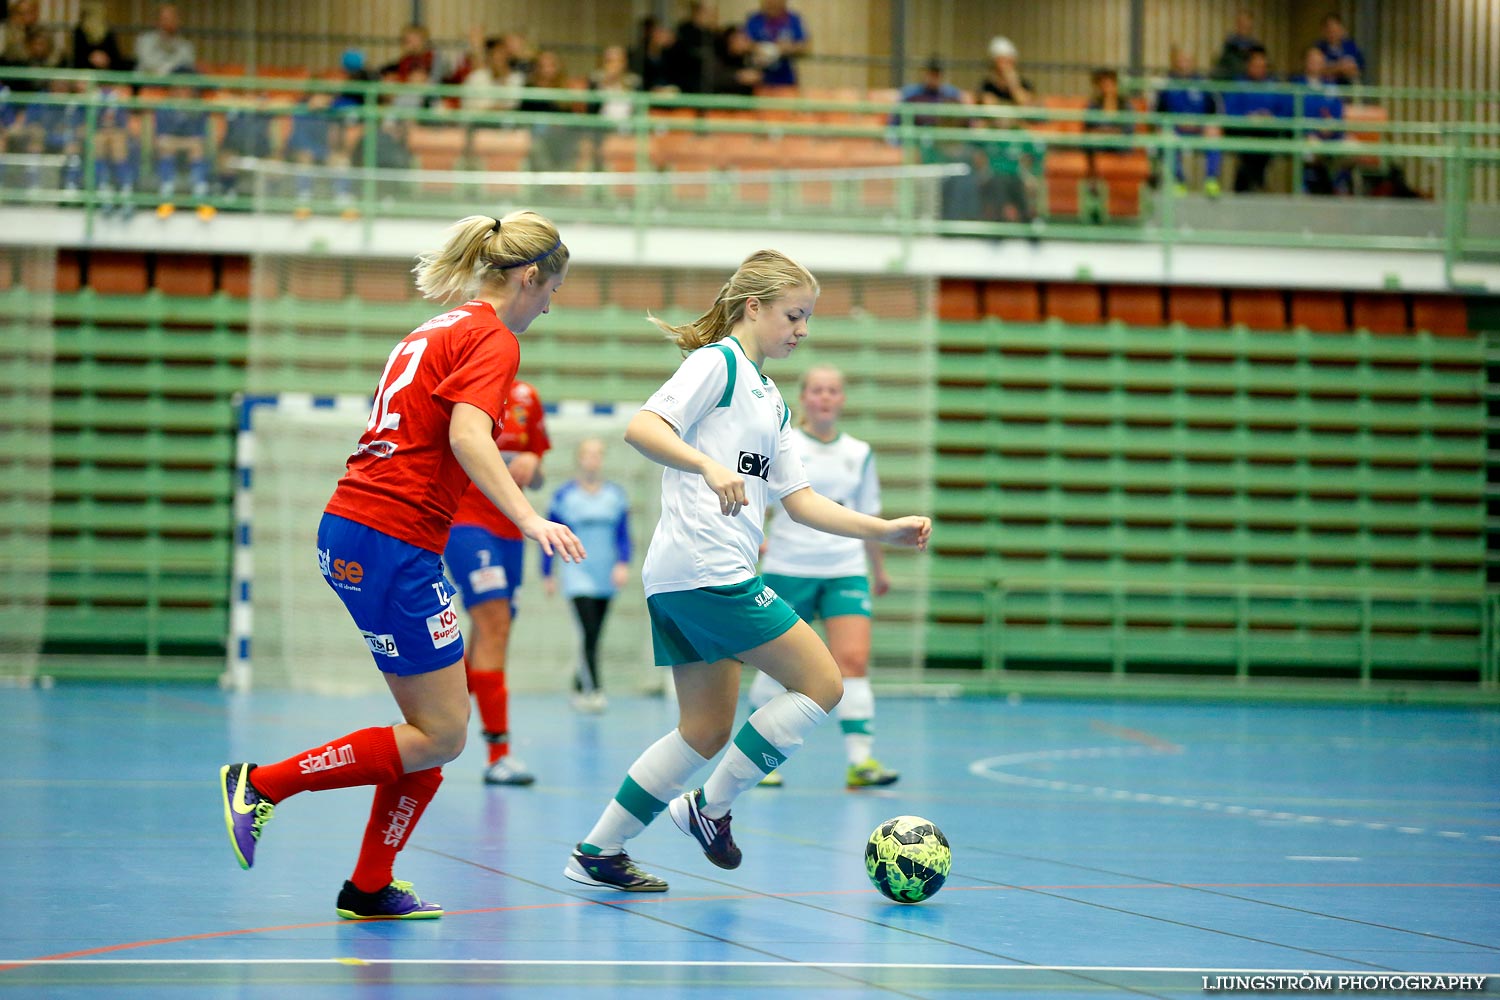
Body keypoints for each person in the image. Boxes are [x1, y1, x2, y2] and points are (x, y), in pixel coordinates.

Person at [218, 211, 583, 920]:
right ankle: (261, 785)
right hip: (392, 540)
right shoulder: (492, 338)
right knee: (443, 733)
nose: (550, 304)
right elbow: (469, 435)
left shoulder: (438, 326)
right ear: (531, 277)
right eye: (553, 289)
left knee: (429, 734)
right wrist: (528, 516)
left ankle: (369, 886)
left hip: (358, 531)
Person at [562, 249, 931, 893]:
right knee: (823, 682)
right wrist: (707, 466)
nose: (803, 329)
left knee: (704, 731)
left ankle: (599, 850)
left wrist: (884, 530)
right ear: (753, 307)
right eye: (794, 315)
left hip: (689, 575)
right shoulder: (718, 366)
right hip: (706, 568)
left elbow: (803, 502)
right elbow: (643, 427)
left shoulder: (771, 400)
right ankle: (710, 810)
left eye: (809, 317)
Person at [750, 365, 896, 789]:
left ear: (842, 398)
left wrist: (879, 568)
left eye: (833, 390)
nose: (826, 397)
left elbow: (869, 516)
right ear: (805, 397)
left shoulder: (859, 452)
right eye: (817, 390)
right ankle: (763, 758)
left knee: (852, 660)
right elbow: (761, 499)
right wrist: (754, 537)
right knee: (780, 667)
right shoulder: (786, 443)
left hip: (844, 568)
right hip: (789, 567)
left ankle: (861, 761)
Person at [444, 379, 551, 786]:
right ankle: (498, 753)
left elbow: (538, 476)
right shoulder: (463, 393)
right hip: (466, 523)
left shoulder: (526, 396)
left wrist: (531, 464)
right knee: (493, 624)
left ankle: (426, 719)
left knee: (494, 633)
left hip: (512, 529)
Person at [541, 438, 632, 714]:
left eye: (597, 454)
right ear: (579, 458)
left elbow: (623, 535)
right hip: (576, 571)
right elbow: (550, 536)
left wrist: (622, 563)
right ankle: (595, 690)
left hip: (605, 572)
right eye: (587, 454)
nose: (592, 459)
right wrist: (548, 573)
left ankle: (579, 686)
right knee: (588, 630)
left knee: (595, 634)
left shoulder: (615, 495)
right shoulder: (564, 496)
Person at [1154, 47, 1223, 197]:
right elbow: (1158, 113)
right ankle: (1179, 181)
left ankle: (1211, 180)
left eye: (1187, 60)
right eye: (1181, 60)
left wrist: (1206, 124)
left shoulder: (1204, 84)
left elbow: (1215, 112)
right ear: (1175, 63)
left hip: (1199, 129)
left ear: (1193, 63)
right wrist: (1170, 125)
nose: (1184, 64)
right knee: (1165, 138)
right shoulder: (1166, 85)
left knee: (1214, 135)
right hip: (1175, 129)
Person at [1223, 47, 1289, 193]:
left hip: (1268, 131)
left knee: (1264, 143)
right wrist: (1247, 117)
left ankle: (1248, 185)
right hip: (1243, 130)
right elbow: (1229, 111)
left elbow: (1285, 111)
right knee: (1249, 144)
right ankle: (1257, 184)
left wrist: (1271, 117)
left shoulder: (1274, 85)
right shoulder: (1238, 85)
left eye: (1262, 66)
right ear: (1248, 65)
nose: (1259, 69)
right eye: (1255, 65)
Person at [151, 69, 213, 219]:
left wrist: (179, 143)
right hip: (168, 152)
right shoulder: (164, 107)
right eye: (178, 87)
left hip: (191, 153)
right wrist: (182, 143)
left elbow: (201, 140)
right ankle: (167, 193)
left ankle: (200, 194)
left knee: (196, 148)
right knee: (166, 148)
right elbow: (159, 139)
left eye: (186, 87)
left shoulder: (199, 108)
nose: (182, 91)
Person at [1288, 46, 1348, 195]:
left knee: (1352, 148)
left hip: (1331, 135)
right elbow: (1291, 113)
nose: (1315, 64)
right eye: (1312, 60)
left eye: (1319, 61)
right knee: (1310, 149)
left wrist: (1332, 127)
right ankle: (1307, 188)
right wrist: (1309, 131)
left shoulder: (1332, 87)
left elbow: (1338, 113)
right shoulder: (1296, 85)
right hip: (1305, 135)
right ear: (1305, 63)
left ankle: (1337, 185)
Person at [744, 0, 808, 88]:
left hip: (786, 79)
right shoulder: (754, 20)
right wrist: (761, 48)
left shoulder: (793, 19)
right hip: (758, 79)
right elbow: (744, 44)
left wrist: (789, 48)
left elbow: (804, 45)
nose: (772, 3)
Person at [135, 3, 195, 77]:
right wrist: (171, 69)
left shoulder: (186, 46)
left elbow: (186, 65)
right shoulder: (144, 40)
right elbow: (149, 64)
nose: (169, 21)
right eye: (165, 18)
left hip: (175, 83)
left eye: (173, 18)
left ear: (178, 20)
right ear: (157, 20)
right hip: (148, 82)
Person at [70, 0, 126, 71]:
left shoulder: (108, 31)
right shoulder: (79, 31)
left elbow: (117, 61)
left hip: (106, 74)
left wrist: (106, 60)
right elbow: (78, 60)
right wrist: (91, 58)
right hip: (85, 74)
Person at [978, 35, 1033, 106]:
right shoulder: (987, 86)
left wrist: (1013, 83)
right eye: (1001, 61)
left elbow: (1025, 103)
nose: (1004, 66)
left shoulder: (1024, 84)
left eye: (1008, 61)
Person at [1212, 8, 1261, 81]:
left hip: (1251, 82)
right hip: (1232, 80)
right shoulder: (1229, 43)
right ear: (1237, 23)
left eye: (1246, 21)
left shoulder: (1256, 46)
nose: (1244, 24)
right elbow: (1223, 64)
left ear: (1251, 23)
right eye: (1241, 22)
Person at [1315, 13, 1364, 85]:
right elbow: (1315, 71)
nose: (1333, 34)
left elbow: (1359, 68)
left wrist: (1350, 69)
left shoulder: (1351, 46)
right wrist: (1338, 67)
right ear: (1323, 31)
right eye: (1330, 30)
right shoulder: (1318, 48)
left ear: (1342, 30)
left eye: (1336, 30)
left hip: (1348, 88)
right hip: (1326, 89)